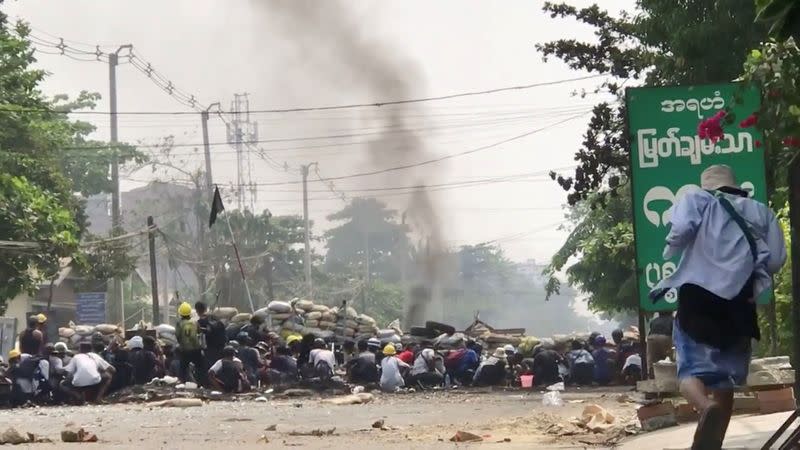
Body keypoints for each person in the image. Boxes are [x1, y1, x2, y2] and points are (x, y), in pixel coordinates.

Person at [650, 165, 786, 450]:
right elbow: (775, 261)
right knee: (724, 381)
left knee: (689, 373)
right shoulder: (761, 211)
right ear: (734, 186)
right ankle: (714, 444)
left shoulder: (696, 200)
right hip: (739, 304)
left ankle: (704, 406)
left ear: (708, 186)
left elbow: (680, 232)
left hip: (698, 300)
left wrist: (674, 246)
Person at [175, 302, 207, 386]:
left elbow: (178, 336)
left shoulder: (179, 323)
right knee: (200, 367)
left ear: (181, 314)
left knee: (183, 368)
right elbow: (200, 332)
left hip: (185, 350)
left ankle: (182, 384)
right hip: (196, 349)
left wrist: (181, 343)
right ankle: (203, 384)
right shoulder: (195, 322)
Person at [195, 301, 228, 367]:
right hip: (222, 347)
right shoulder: (215, 317)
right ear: (205, 308)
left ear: (197, 311)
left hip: (211, 349)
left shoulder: (201, 321)